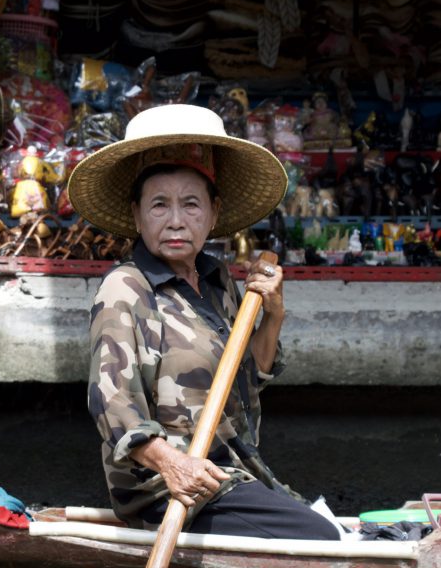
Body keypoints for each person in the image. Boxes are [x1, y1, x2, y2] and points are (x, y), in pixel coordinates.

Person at [67, 103, 342, 541]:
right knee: (320, 537)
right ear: (137, 216)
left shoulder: (219, 282)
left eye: (190, 204)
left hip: (229, 475)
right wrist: (173, 465)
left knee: (324, 524)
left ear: (213, 214)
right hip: (164, 489)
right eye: (159, 205)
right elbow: (112, 404)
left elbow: (247, 380)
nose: (176, 221)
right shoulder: (126, 287)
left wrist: (272, 314)